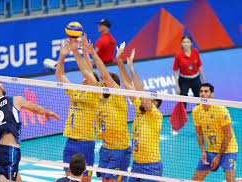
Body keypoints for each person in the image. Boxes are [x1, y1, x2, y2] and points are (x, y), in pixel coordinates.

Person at [0, 75, 60, 182]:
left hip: (1, 151)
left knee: (18, 180)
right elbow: (35, 108)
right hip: (10, 151)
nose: (2, 85)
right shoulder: (15, 100)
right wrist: (48, 112)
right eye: (0, 84)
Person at [82, 35, 131, 182]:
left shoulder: (119, 96)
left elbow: (104, 75)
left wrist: (94, 54)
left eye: (106, 84)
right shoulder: (101, 98)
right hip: (105, 149)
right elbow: (91, 75)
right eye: (102, 84)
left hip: (119, 149)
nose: (103, 85)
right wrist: (85, 53)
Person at [55, 37, 101, 182]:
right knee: (70, 180)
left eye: (87, 79)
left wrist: (76, 51)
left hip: (85, 142)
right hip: (70, 142)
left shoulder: (95, 93)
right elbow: (59, 75)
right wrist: (62, 55)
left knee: (85, 180)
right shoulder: (75, 91)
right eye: (84, 78)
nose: (84, 79)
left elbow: (89, 73)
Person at [116, 44, 163, 182]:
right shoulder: (139, 108)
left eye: (148, 98)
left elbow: (141, 93)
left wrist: (132, 69)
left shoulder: (155, 115)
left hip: (151, 167)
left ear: (155, 104)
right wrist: (120, 62)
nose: (144, 99)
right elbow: (127, 85)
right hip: (136, 165)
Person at [192, 83, 238, 182]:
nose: (203, 94)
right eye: (201, 91)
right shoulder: (196, 111)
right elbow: (199, 133)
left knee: (230, 179)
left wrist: (218, 156)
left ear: (212, 94)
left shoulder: (221, 110)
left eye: (206, 91)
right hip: (211, 150)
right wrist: (203, 151)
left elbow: (228, 135)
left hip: (228, 149)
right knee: (195, 179)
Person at [172, 35, 206, 135]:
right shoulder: (178, 55)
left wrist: (203, 79)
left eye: (188, 42)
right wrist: (177, 85)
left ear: (191, 43)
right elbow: (175, 70)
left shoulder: (196, 52)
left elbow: (199, 66)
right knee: (182, 103)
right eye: (184, 42)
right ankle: (175, 127)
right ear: (182, 44)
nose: (186, 43)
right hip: (184, 80)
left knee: (201, 102)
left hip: (196, 79)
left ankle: (204, 124)